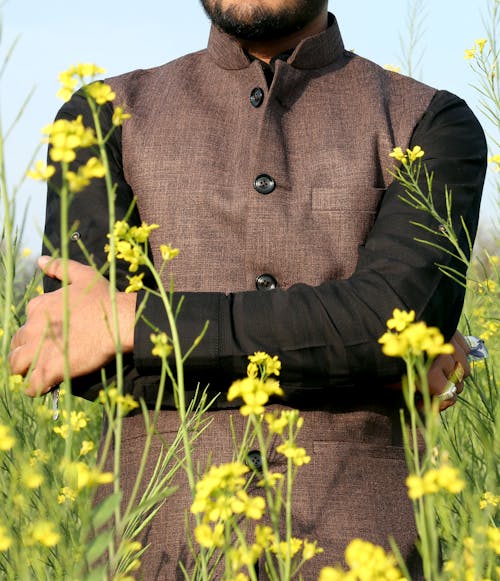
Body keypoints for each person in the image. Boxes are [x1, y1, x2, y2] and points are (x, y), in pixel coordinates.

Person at [9, 0, 486, 579]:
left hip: (369, 556)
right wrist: (361, 352)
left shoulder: (431, 120)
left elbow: (388, 320)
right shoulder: (100, 116)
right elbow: (76, 353)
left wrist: (131, 323)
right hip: (153, 555)